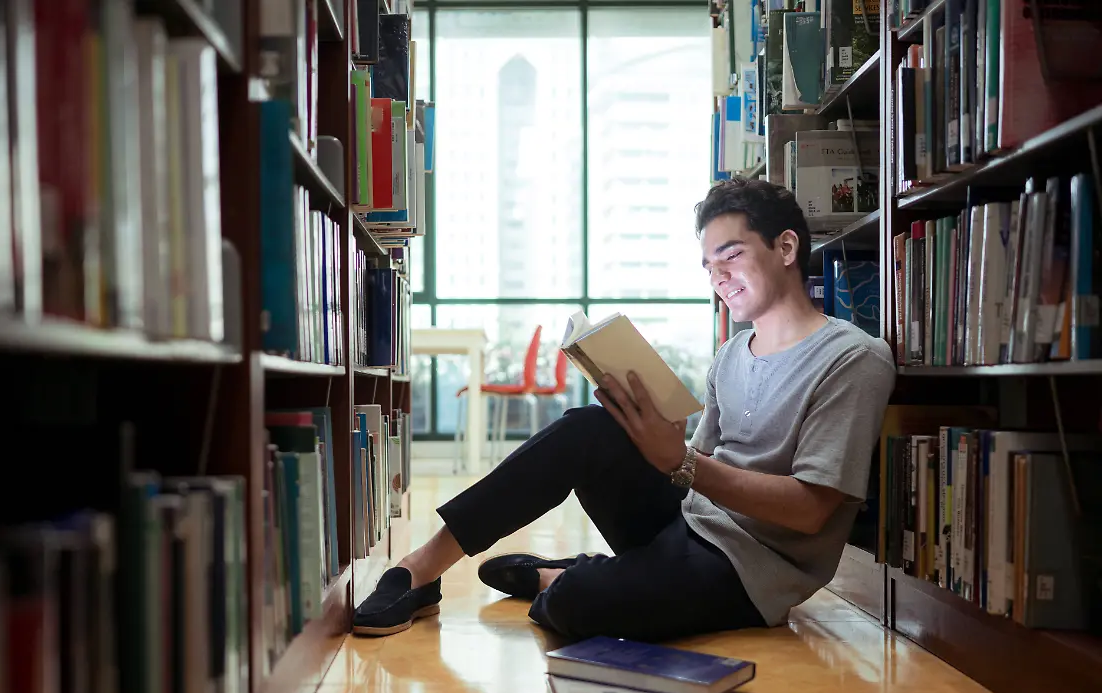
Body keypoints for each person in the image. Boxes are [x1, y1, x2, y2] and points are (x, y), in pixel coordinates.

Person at [351, 177, 897, 642]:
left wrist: (681, 462)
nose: (718, 278)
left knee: (576, 605)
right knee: (588, 429)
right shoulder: (732, 353)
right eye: (708, 267)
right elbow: (698, 471)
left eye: (730, 256)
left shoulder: (853, 360)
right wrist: (663, 446)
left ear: (784, 248)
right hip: (687, 527)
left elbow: (811, 510)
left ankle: (561, 578)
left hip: (751, 573)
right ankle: (421, 570)